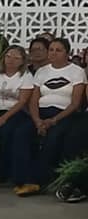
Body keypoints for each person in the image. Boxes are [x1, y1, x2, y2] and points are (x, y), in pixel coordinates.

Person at [16, 38, 86, 197]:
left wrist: (54, 120)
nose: (53, 53)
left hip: (64, 114)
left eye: (58, 50)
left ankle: (39, 181)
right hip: (41, 114)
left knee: (53, 138)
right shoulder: (42, 72)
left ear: (67, 53)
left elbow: (75, 103)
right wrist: (37, 121)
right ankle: (23, 178)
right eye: (52, 49)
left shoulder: (76, 71)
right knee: (21, 134)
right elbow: (33, 100)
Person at [0, 45, 34, 190]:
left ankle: (0, 176)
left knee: (7, 133)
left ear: (22, 61)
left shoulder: (26, 76)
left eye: (16, 58)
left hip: (14, 112)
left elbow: (22, 101)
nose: (11, 60)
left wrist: (4, 118)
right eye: (8, 56)